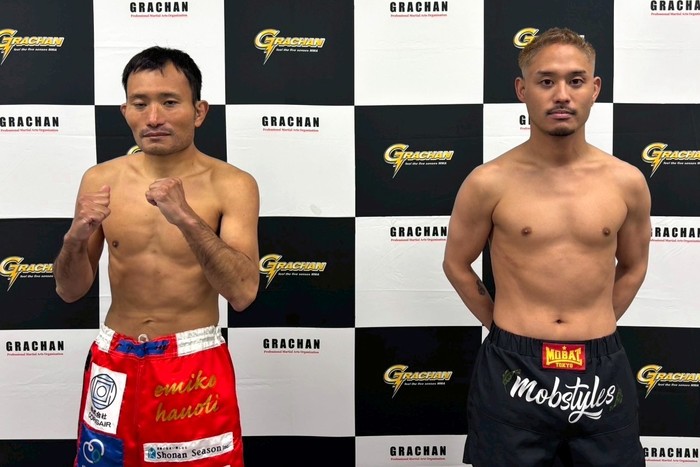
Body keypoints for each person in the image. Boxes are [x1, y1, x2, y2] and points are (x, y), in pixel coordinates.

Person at [443, 28, 651, 466]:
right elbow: (457, 264)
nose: (561, 95)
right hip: (513, 367)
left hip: (600, 368)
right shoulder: (489, 181)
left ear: (595, 89)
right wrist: (501, 327)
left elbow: (633, 266)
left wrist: (598, 324)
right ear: (523, 90)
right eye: (546, 81)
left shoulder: (626, 181)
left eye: (575, 80)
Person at [54, 46, 260, 467]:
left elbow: (243, 293)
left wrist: (186, 218)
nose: (153, 118)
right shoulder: (100, 180)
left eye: (169, 102)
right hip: (114, 361)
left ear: (198, 111)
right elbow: (69, 291)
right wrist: (74, 240)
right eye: (140, 103)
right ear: (125, 111)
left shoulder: (232, 184)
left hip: (192, 364)